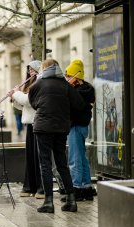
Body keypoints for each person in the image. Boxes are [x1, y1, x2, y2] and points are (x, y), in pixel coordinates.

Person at [29, 59, 85, 213]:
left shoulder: (37, 85)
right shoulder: (66, 85)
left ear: (44, 69)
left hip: (43, 128)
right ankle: (71, 200)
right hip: (61, 128)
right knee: (62, 163)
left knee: (45, 164)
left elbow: (33, 103)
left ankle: (48, 202)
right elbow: (79, 104)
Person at [9, 60, 45, 199]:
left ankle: (41, 188)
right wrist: (14, 98)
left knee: (38, 157)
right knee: (30, 157)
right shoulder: (29, 84)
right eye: (29, 70)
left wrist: (16, 94)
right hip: (29, 124)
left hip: (38, 123)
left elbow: (29, 101)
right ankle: (30, 186)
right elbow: (23, 106)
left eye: (32, 69)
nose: (30, 72)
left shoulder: (39, 84)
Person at [65, 60, 96, 201]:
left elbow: (73, 108)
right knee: (82, 158)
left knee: (74, 158)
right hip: (81, 126)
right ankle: (86, 187)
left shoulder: (77, 92)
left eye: (68, 76)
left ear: (76, 77)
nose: (66, 79)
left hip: (76, 126)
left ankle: (76, 189)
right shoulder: (87, 90)